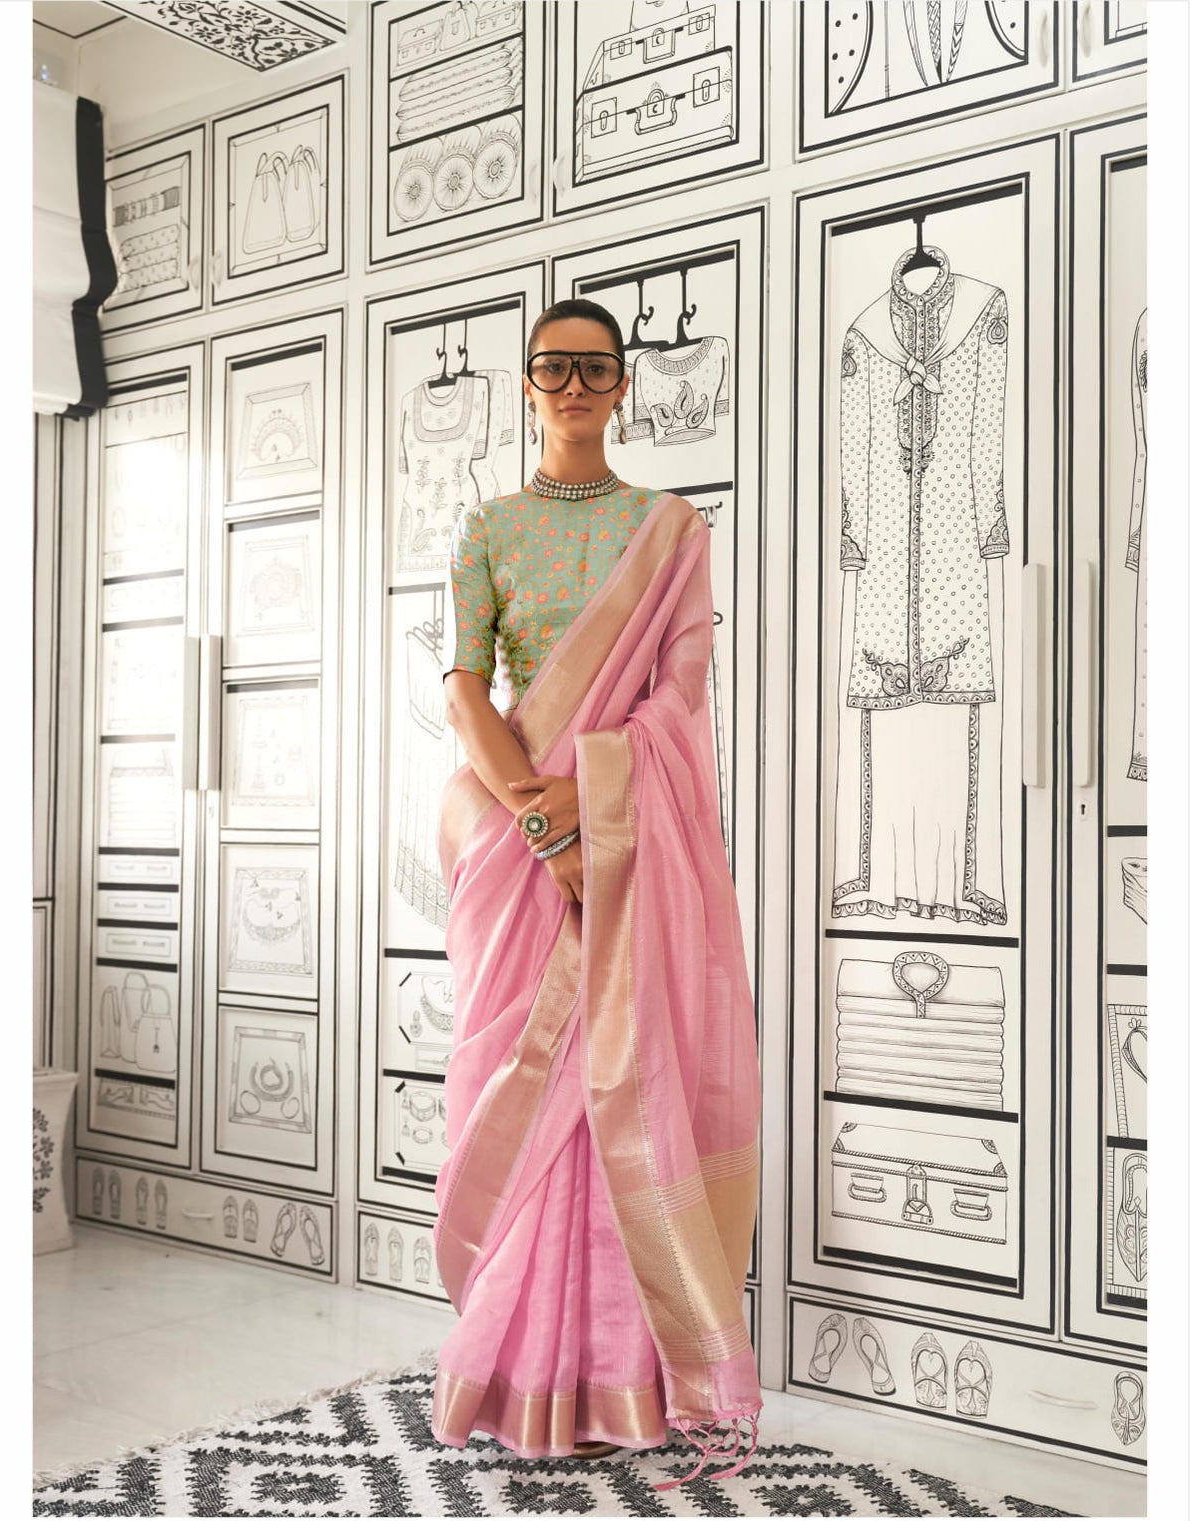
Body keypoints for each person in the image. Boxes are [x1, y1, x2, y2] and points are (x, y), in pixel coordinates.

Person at [430, 297, 763, 1489]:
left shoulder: (670, 531)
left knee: (615, 1080)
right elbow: (469, 693)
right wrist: (537, 813)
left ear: (625, 387)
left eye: (594, 369)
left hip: (626, 834)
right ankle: (512, 1362)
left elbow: (678, 694)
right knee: (524, 1080)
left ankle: (624, 1375)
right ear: (526, 386)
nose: (573, 386)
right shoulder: (487, 529)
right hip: (514, 841)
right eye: (552, 368)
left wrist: (594, 807)